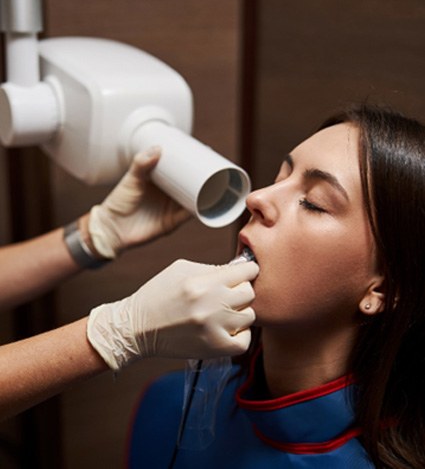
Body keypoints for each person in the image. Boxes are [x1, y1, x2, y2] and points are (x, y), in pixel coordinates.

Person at [128, 104, 425, 469]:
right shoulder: (170, 406)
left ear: (382, 290)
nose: (257, 199)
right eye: (281, 176)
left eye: (313, 203)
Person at [0, 146, 259, 420]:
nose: (256, 198)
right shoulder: (162, 403)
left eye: (310, 203)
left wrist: (98, 233)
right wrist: (117, 331)